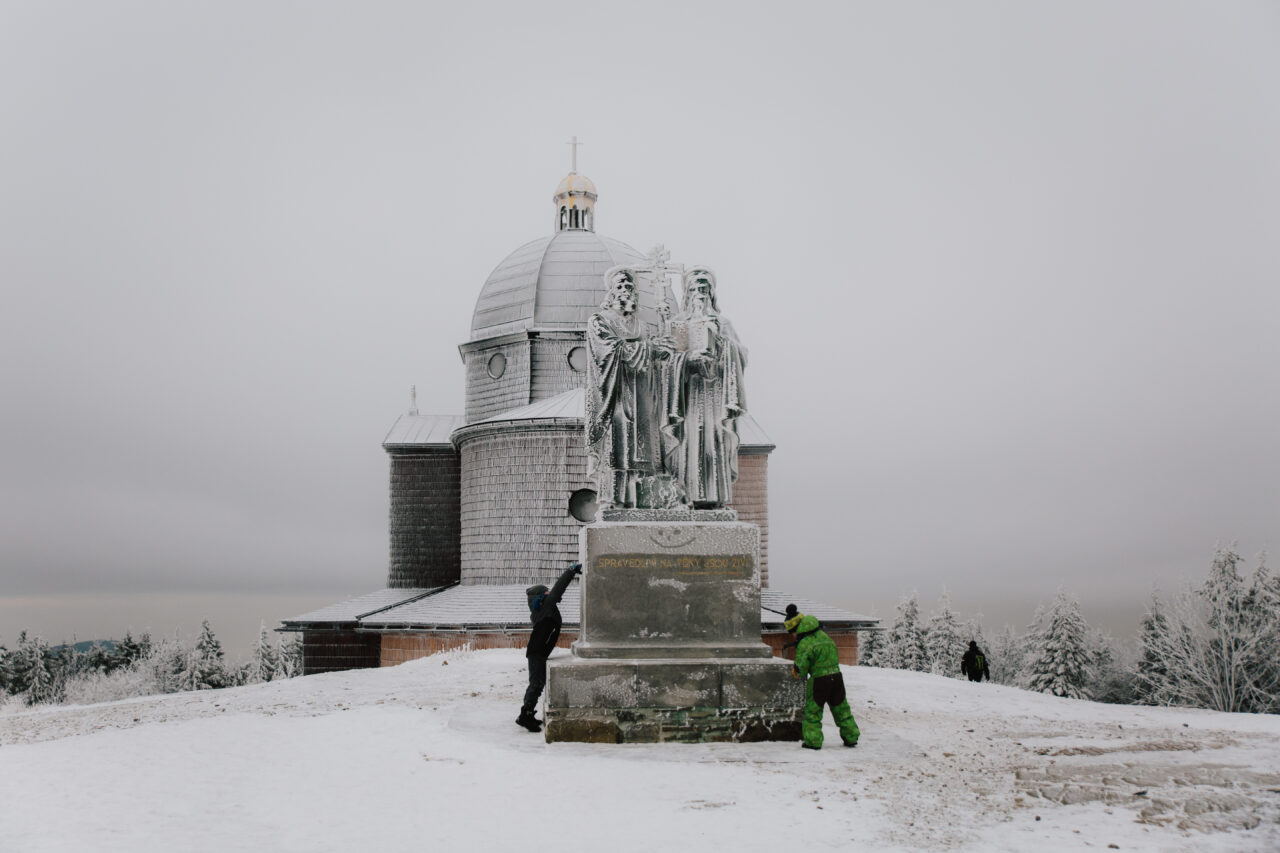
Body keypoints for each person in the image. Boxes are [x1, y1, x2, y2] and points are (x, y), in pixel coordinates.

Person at [585, 267, 680, 508]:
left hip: (644, 392)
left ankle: (647, 498)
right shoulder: (599, 321)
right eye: (620, 286)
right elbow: (609, 351)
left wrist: (663, 349)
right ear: (611, 291)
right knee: (620, 443)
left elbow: (653, 359)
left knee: (647, 444)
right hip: (617, 392)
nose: (625, 290)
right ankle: (616, 498)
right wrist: (650, 349)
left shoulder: (642, 326)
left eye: (629, 286)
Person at [670, 267, 747, 508]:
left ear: (711, 293)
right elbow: (672, 359)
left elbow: (741, 354)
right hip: (691, 393)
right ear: (687, 294)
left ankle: (714, 496)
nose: (699, 294)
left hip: (715, 392)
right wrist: (687, 359)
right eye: (694, 289)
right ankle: (687, 494)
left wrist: (722, 344)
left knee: (714, 438)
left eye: (704, 289)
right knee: (690, 439)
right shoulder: (681, 324)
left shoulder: (722, 323)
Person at [516, 562, 582, 732]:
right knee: (536, 684)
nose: (549, 593)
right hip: (537, 653)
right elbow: (558, 589)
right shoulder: (545, 607)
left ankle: (527, 713)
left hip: (538, 652)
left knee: (537, 684)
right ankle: (525, 716)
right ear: (541, 596)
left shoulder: (542, 609)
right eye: (546, 592)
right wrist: (570, 572)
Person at [786, 611, 860, 750]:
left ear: (796, 629)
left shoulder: (805, 643)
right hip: (836, 677)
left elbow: (801, 670)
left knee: (813, 712)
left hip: (819, 681)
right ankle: (851, 737)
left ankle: (813, 741)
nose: (793, 636)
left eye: (792, 633)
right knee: (841, 709)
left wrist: (795, 671)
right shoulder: (824, 636)